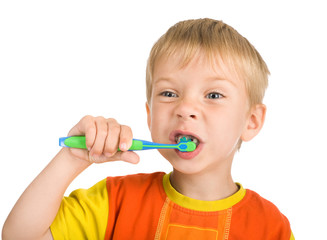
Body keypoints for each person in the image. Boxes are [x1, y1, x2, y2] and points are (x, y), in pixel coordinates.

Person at [2, 18, 294, 240]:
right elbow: (19, 236)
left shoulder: (271, 226)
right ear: (150, 114)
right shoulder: (115, 201)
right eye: (169, 94)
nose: (184, 108)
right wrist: (71, 160)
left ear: (251, 121)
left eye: (213, 95)